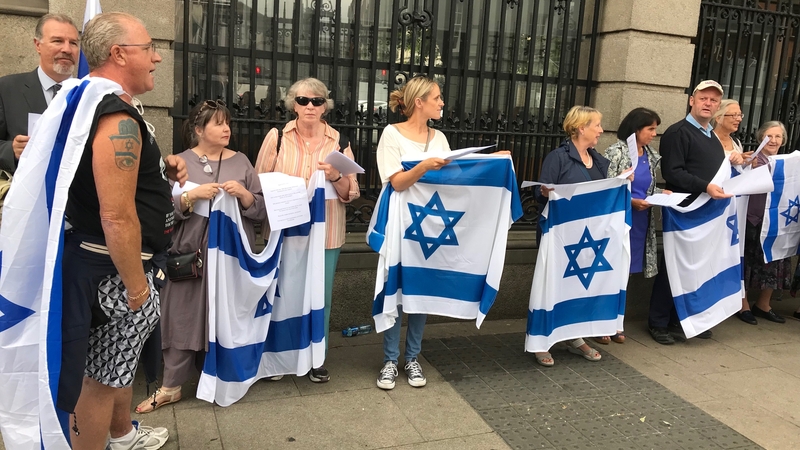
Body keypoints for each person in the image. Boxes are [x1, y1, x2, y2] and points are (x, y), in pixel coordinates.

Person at [58, 13, 188, 450]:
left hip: (109, 265)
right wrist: (136, 288)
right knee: (97, 380)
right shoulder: (118, 118)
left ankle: (121, 434)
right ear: (118, 54)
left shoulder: (92, 101)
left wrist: (159, 164)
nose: (156, 57)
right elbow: (116, 216)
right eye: (148, 48)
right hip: (113, 272)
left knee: (114, 367)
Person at [135, 100, 266, 413]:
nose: (226, 129)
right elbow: (160, 212)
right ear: (197, 130)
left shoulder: (242, 162)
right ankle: (171, 386)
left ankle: (223, 376)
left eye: (227, 123)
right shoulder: (178, 163)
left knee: (225, 316)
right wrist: (190, 197)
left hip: (232, 257)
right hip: (189, 255)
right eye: (218, 124)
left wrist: (245, 196)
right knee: (180, 317)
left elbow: (260, 211)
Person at [255, 77, 360, 383]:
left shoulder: (339, 141)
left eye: (316, 101)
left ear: (325, 105)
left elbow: (351, 192)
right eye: (303, 101)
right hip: (284, 231)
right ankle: (278, 356)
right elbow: (259, 182)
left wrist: (337, 175)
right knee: (281, 293)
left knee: (320, 296)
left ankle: (316, 357)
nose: (310, 106)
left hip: (325, 234)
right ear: (293, 104)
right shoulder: (277, 137)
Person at [374, 76, 451, 389]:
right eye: (437, 98)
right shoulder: (391, 134)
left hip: (430, 225)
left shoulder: (440, 137)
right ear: (419, 102)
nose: (442, 103)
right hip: (401, 224)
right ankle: (390, 360)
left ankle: (412, 358)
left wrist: (492, 162)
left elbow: (454, 175)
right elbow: (396, 182)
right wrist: (423, 167)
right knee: (396, 289)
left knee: (421, 292)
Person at [648, 80, 732, 345]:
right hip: (685, 210)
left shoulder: (711, 135)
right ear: (692, 100)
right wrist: (705, 186)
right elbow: (672, 172)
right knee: (674, 266)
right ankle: (658, 321)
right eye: (704, 98)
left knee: (695, 268)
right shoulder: (678, 132)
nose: (709, 104)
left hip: (707, 212)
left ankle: (679, 318)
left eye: (714, 100)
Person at [533, 105, 606, 366]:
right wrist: (546, 191)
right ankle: (541, 340)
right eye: (596, 124)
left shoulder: (597, 159)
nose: (600, 130)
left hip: (587, 235)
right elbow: (539, 193)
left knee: (578, 288)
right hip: (559, 234)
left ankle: (575, 338)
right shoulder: (558, 157)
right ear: (580, 127)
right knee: (550, 287)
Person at [600, 107, 667, 344]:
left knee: (625, 274)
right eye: (650, 129)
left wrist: (663, 193)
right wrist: (630, 201)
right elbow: (605, 188)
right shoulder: (615, 151)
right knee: (610, 270)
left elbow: (645, 189)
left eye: (655, 129)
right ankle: (602, 323)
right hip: (619, 220)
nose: (654, 134)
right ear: (636, 129)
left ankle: (617, 322)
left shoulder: (650, 154)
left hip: (641, 223)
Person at [0, 13, 79, 173]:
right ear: (38, 45)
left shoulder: (89, 94)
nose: (67, 49)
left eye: (73, 43)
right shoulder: (7, 88)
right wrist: (11, 150)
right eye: (57, 41)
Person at [711, 99, 755, 324]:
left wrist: (744, 161)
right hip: (715, 208)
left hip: (734, 209)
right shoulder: (710, 140)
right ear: (718, 117)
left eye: (740, 115)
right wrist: (729, 160)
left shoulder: (735, 141)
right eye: (733, 115)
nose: (738, 119)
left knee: (730, 253)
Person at [742, 121, 790, 324]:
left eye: (778, 136)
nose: (774, 140)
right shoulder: (752, 159)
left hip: (777, 220)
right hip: (753, 219)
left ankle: (763, 304)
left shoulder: (788, 162)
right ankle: (742, 304)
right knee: (746, 262)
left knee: (774, 260)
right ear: (761, 137)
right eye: (769, 136)